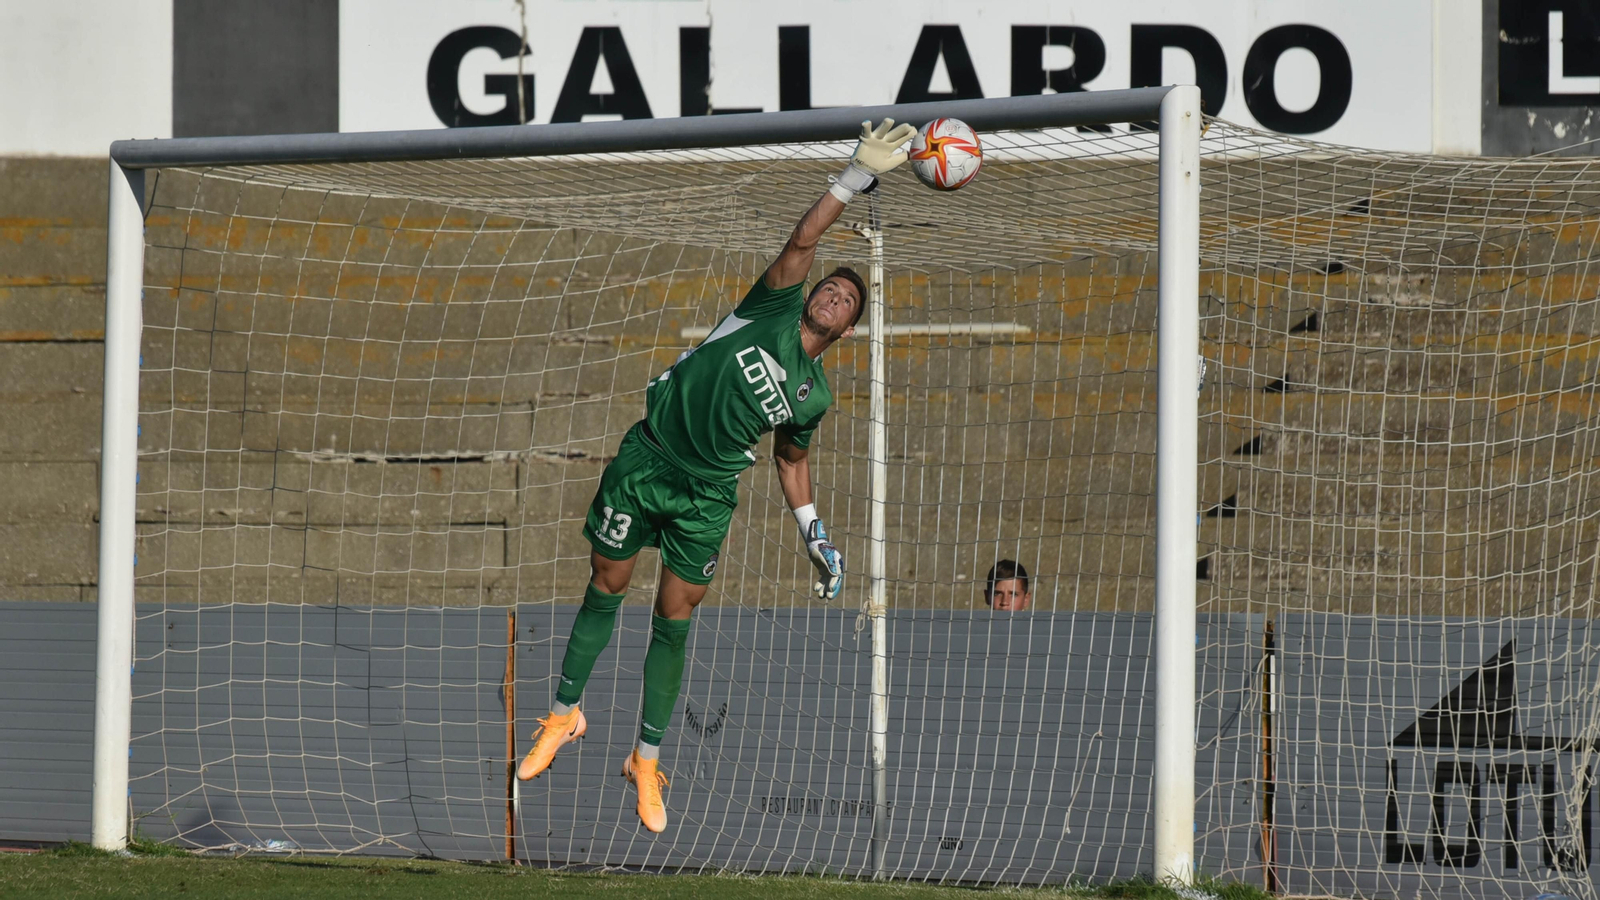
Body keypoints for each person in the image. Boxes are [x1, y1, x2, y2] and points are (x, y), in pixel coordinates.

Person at [515, 119, 918, 833]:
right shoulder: (771, 307)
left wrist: (814, 536)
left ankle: (645, 760)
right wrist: (853, 177)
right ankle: (563, 714)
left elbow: (791, 462)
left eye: (846, 302)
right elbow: (802, 242)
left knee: (675, 616)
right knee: (606, 584)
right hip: (647, 459)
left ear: (848, 331)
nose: (832, 297)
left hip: (707, 494)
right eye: (829, 288)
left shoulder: (813, 395)